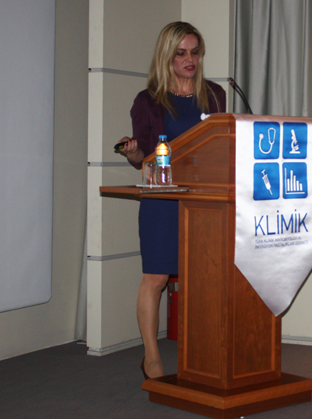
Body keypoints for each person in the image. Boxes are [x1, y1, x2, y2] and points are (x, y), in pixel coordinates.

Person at [116, 21, 226, 379]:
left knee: (203, 279)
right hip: (162, 200)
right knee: (156, 278)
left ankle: (202, 356)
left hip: (203, 200)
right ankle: (151, 357)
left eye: (195, 52)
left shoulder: (214, 95)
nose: (190, 59)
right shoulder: (148, 100)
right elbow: (143, 156)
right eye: (181, 53)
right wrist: (133, 152)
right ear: (167, 56)